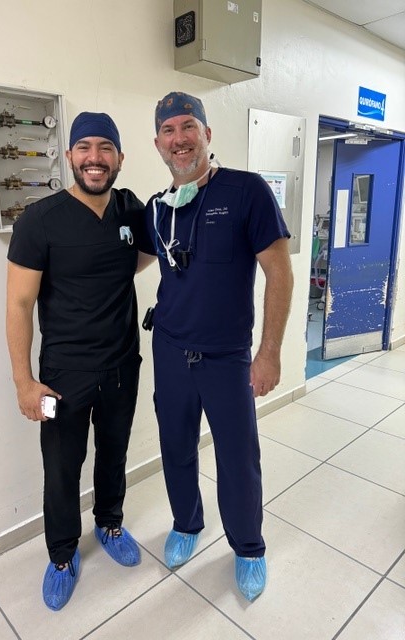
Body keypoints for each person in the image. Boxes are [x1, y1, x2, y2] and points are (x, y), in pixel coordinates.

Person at [138, 92, 294, 601]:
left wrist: (268, 352)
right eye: (168, 130)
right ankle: (187, 523)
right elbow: (129, 263)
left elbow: (279, 273)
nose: (179, 139)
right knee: (176, 446)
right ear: (158, 143)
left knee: (238, 456)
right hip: (170, 349)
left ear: (206, 134)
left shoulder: (246, 191)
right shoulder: (157, 209)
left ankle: (248, 547)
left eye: (188, 126)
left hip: (226, 357)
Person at [6, 112, 150, 611]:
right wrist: (24, 382)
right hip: (63, 375)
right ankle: (63, 555)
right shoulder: (39, 220)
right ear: (69, 156)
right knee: (62, 468)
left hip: (122, 365)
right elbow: (19, 304)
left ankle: (110, 524)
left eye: (105, 148)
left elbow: (138, 259)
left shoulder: (131, 210)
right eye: (85, 147)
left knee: (114, 453)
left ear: (119, 158)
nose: (95, 157)